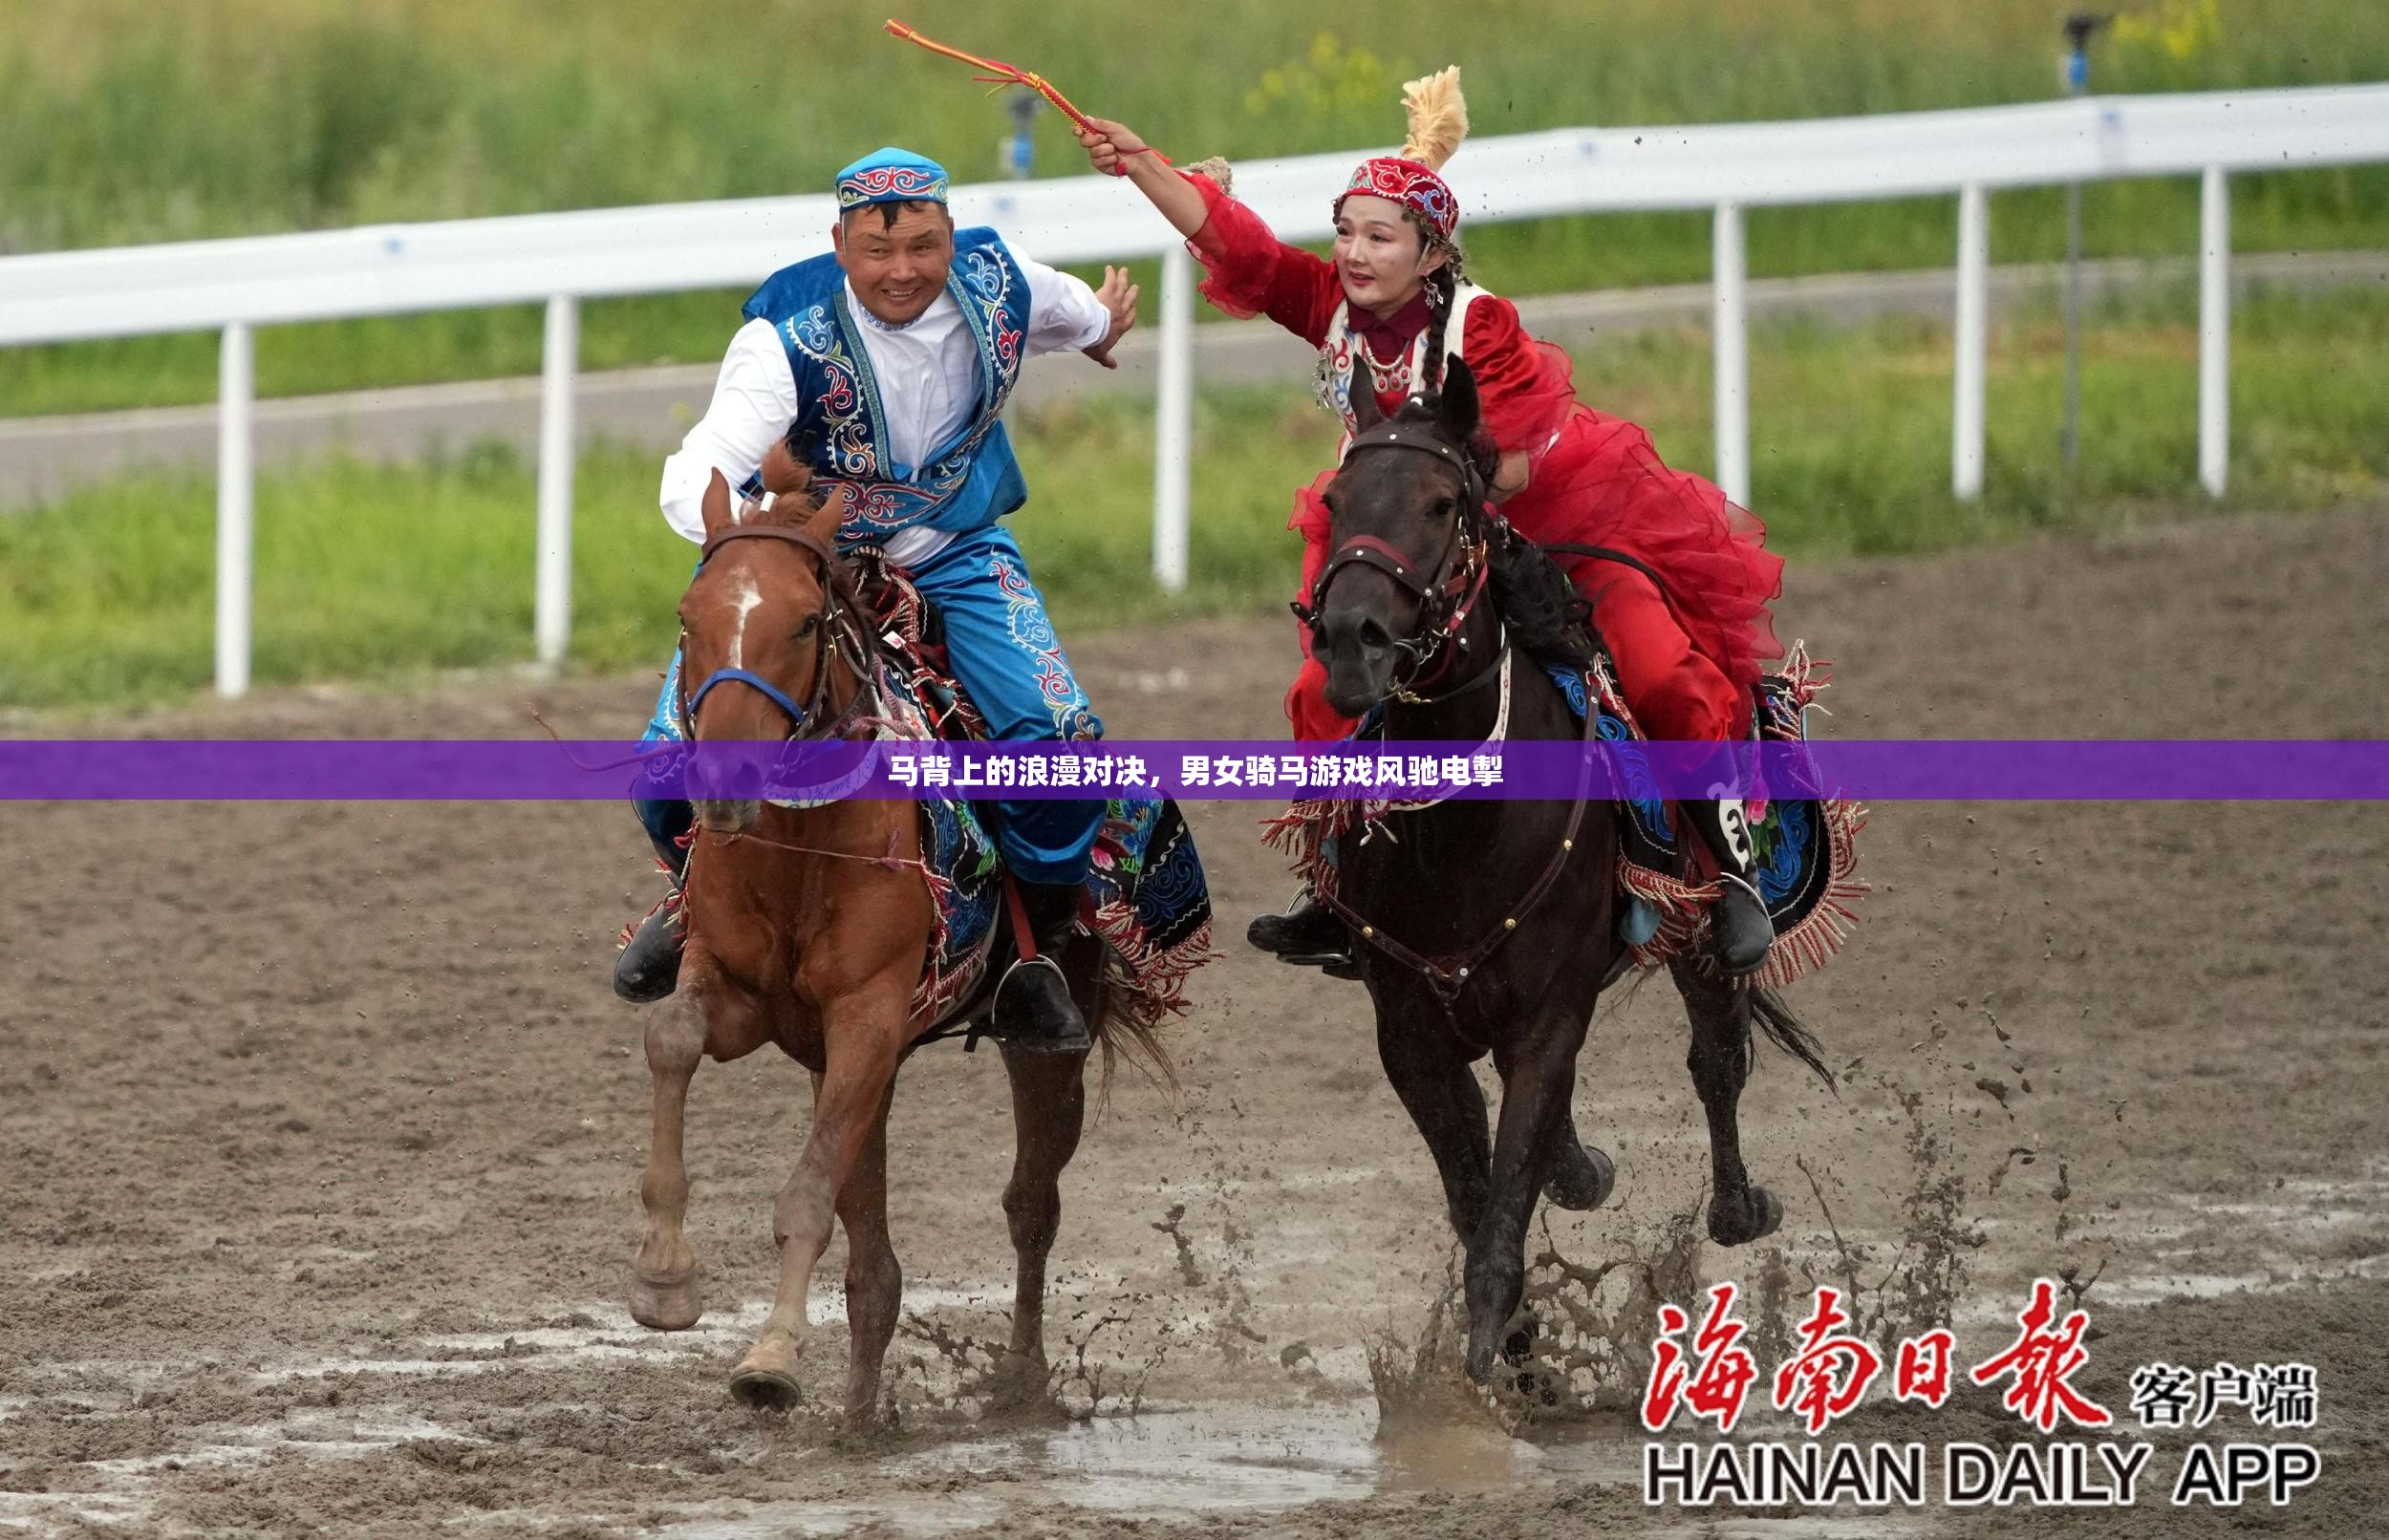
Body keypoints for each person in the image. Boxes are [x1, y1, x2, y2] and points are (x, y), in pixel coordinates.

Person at [1076, 71, 1784, 976]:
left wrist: (1442, 482)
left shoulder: (1480, 327)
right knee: (1320, 693)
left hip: (1541, 526)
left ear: (1433, 253)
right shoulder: (1330, 305)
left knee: (1658, 668)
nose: (1354, 254)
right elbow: (1238, 243)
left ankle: (1732, 873)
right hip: (1399, 543)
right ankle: (1336, 885)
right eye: (1344, 233)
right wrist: (1140, 161)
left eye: (1380, 236)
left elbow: (1522, 458)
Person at [613, 147, 1139, 1052]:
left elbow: (1075, 311)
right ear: (841, 244)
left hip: (957, 550)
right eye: (877, 252)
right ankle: (691, 895)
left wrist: (1099, 327)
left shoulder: (998, 279)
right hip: (814, 565)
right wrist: (765, 539)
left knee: (1053, 744)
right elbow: (695, 470)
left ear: (948, 235)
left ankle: (1039, 951)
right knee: (667, 762)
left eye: (924, 248)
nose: (903, 272)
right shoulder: (784, 336)